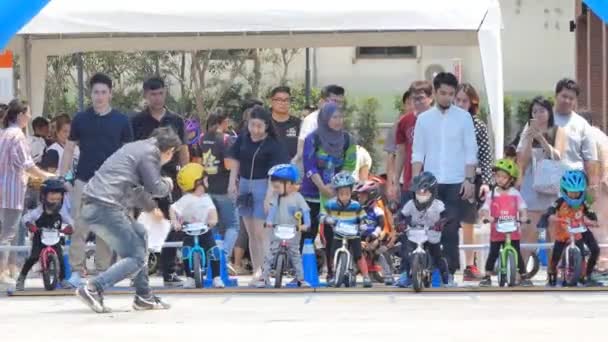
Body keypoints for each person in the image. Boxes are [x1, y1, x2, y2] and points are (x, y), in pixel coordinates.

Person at [75, 127, 180, 313]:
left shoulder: (136, 148)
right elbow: (156, 187)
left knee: (140, 234)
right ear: (169, 150)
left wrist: (151, 208)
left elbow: (135, 187)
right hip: (105, 205)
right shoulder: (150, 153)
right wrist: (169, 183)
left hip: (95, 204)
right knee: (137, 256)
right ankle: (93, 288)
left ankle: (144, 296)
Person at [61, 73, 134, 288]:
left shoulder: (121, 120)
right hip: (84, 180)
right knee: (80, 227)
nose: (99, 96)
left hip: (111, 184)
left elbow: (128, 153)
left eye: (103, 92)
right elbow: (69, 148)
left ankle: (103, 272)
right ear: (90, 94)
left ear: (110, 94)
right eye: (95, 92)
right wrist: (63, 177)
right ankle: (76, 271)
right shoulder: (80, 119)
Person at [411, 72, 478, 285]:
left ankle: (449, 272)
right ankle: (422, 268)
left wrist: (469, 180)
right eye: (442, 93)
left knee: (449, 228)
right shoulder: (423, 119)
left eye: (451, 94)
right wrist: (416, 182)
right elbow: (417, 152)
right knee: (425, 227)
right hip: (430, 182)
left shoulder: (464, 118)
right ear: (435, 91)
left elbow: (471, 151)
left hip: (456, 180)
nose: (447, 98)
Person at [130, 76, 189, 287]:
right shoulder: (136, 121)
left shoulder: (176, 120)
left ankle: (169, 272)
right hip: (144, 178)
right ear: (146, 95)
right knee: (141, 226)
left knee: (171, 224)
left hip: (171, 178)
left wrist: (187, 176)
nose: (157, 97)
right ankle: (139, 273)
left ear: (165, 93)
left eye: (161, 93)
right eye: (152, 94)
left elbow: (183, 150)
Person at [227, 105, 289, 283]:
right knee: (251, 232)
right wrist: (233, 182)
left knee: (262, 232)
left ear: (267, 126)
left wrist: (269, 196)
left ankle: (267, 271)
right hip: (245, 185)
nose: (255, 130)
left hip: (264, 186)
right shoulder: (243, 138)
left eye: (259, 126)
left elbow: (275, 171)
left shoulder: (273, 144)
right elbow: (235, 160)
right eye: (252, 125)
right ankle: (257, 270)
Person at [0, 100, 55, 285]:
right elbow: (27, 165)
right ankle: (2, 272)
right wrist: (47, 176)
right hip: (12, 190)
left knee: (11, 231)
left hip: (6, 188)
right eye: (28, 113)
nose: (30, 117)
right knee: (8, 233)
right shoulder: (17, 136)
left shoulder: (6, 133)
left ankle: (10, 268)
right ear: (21, 115)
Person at [301, 102, 357, 279]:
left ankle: (334, 271)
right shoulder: (313, 138)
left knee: (335, 233)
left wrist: (336, 187)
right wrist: (322, 187)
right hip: (312, 192)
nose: (338, 121)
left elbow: (349, 164)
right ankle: (304, 273)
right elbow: (309, 165)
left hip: (337, 195)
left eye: (340, 117)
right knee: (308, 232)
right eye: (334, 117)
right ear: (325, 118)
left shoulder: (348, 139)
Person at [516, 96, 566, 259]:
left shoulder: (559, 130)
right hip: (531, 185)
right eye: (534, 111)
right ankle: (521, 274)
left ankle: (553, 273)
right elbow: (522, 161)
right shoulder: (526, 131)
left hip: (552, 185)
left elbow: (558, 156)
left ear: (549, 112)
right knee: (528, 231)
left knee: (554, 232)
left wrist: (541, 139)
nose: (538, 114)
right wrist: (529, 138)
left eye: (542, 110)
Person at [454, 82, 493, 281]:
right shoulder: (446, 122)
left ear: (472, 103)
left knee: (469, 222)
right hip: (449, 177)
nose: (460, 104)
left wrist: (486, 181)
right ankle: (446, 265)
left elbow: (486, 156)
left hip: (471, 179)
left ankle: (470, 265)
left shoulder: (478, 124)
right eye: (458, 100)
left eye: (464, 101)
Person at [539, 170, 600, 286]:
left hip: (579, 230)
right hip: (563, 231)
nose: (574, 195)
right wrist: (547, 218)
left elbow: (590, 213)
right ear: (564, 190)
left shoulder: (583, 203)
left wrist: (593, 221)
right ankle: (552, 271)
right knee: (556, 256)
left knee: (593, 250)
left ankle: (587, 274)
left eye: (577, 193)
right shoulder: (559, 202)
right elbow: (549, 211)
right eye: (571, 192)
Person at [169, 163, 225, 289]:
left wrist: (213, 220)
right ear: (197, 182)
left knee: (214, 251)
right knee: (186, 252)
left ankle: (217, 277)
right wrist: (175, 222)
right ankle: (190, 278)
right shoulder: (186, 198)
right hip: (189, 231)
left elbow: (212, 211)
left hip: (205, 230)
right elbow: (173, 209)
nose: (207, 181)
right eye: (205, 179)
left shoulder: (206, 198)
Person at [478, 159, 532, 287]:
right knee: (493, 253)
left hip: (512, 229)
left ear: (511, 179)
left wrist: (524, 216)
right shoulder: (492, 194)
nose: (500, 179)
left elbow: (522, 207)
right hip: (497, 229)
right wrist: (487, 216)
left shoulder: (515, 193)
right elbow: (485, 208)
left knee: (516, 253)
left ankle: (524, 276)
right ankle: (487, 276)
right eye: (498, 176)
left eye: (504, 177)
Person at [256, 164, 311, 288]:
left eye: (277, 187)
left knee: (295, 255)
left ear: (289, 184)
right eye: (273, 187)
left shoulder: (298, 198)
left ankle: (301, 279)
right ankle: (264, 278)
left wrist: (306, 224)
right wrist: (269, 221)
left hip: (294, 232)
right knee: (270, 254)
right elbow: (272, 210)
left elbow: (305, 212)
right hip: (278, 230)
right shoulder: (276, 198)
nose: (275, 189)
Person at [15, 178, 74, 291]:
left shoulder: (61, 211)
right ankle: (21, 278)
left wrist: (70, 227)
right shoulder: (38, 211)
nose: (55, 200)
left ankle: (62, 279)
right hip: (40, 237)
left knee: (60, 258)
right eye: (52, 196)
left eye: (58, 197)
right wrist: (30, 225)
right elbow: (25, 218)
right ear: (43, 196)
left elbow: (70, 221)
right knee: (33, 257)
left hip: (55, 237)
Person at [397, 172, 450, 287]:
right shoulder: (411, 204)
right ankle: (407, 275)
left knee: (437, 255)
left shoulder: (437, 205)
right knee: (406, 254)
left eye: (423, 192)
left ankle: (444, 277)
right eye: (418, 192)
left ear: (432, 192)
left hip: (432, 233)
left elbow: (446, 216)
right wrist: (401, 223)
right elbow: (401, 215)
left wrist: (441, 223)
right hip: (415, 232)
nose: (420, 195)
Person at [199, 110, 240, 261]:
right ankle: (223, 256)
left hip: (208, 188)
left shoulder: (202, 138)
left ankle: (212, 258)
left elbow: (198, 163)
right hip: (225, 187)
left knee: (213, 225)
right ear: (223, 122)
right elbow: (229, 165)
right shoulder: (226, 139)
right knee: (232, 225)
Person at [321, 171, 372, 288]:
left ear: (351, 192)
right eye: (342, 193)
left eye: (347, 193)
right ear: (336, 193)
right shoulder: (330, 204)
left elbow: (363, 216)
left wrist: (364, 223)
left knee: (359, 255)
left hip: (354, 233)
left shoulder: (356, 205)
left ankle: (366, 277)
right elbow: (322, 214)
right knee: (333, 253)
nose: (345, 196)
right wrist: (326, 219)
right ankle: (333, 274)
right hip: (338, 233)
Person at [551, 78, 599, 198]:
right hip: (542, 189)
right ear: (556, 95)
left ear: (575, 101)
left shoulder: (582, 125)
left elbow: (591, 159)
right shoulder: (542, 118)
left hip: (573, 189)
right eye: (564, 96)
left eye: (571, 98)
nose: (567, 101)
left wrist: (592, 186)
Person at [390, 81, 434, 204]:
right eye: (414, 99)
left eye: (421, 98)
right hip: (410, 181)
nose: (417, 102)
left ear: (431, 98)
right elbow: (401, 152)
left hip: (434, 181)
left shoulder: (439, 120)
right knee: (409, 220)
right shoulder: (405, 121)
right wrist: (397, 180)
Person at [354, 180, 394, 285]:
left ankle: (388, 274)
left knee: (377, 253)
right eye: (358, 196)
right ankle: (351, 272)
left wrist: (375, 235)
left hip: (373, 237)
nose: (359, 198)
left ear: (370, 196)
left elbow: (381, 225)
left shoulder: (377, 210)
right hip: (359, 237)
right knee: (356, 251)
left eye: (362, 195)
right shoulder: (357, 210)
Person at [294, 85, 345, 164]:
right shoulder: (311, 120)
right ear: (322, 101)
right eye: (334, 101)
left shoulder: (340, 120)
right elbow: (302, 152)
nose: (337, 105)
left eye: (340, 102)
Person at [384, 90, 413, 188]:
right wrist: (390, 185)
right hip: (402, 180)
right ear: (404, 106)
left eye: (415, 102)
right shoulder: (397, 126)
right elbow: (390, 156)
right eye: (409, 103)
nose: (412, 107)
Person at [270, 86, 301, 160]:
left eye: (286, 100)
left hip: (292, 168)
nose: (283, 103)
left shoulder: (298, 124)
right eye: (279, 100)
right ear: (271, 101)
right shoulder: (264, 123)